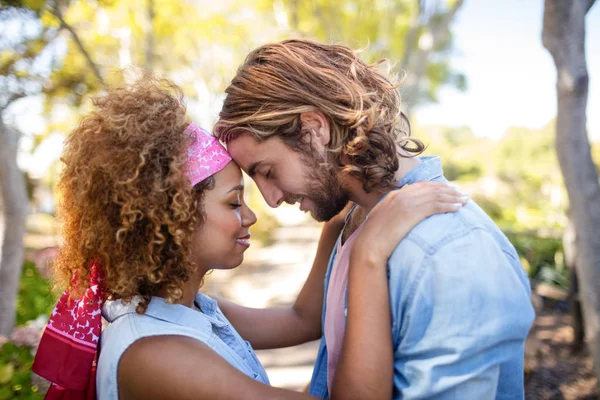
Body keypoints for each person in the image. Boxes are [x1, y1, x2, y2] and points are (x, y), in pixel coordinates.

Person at [31, 74, 468, 400]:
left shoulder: (182, 311)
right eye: (234, 202)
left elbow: (301, 319)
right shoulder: (156, 355)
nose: (253, 215)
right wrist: (370, 253)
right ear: (173, 219)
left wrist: (345, 214)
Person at [214, 38, 536, 399]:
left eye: (268, 171)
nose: (271, 201)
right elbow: (313, 334)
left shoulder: (449, 256)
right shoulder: (354, 220)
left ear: (314, 129)